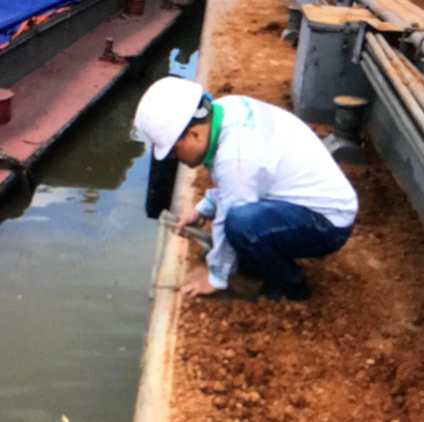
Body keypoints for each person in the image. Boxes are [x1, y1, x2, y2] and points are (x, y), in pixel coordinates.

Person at [133, 77, 358, 301]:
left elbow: (233, 191)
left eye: (174, 150)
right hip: (309, 200)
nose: (174, 157)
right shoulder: (226, 109)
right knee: (240, 224)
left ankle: (291, 285)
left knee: (240, 224)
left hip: (328, 225)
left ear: (195, 135)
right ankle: (259, 255)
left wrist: (215, 278)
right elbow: (234, 183)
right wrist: (202, 209)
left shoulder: (236, 157)